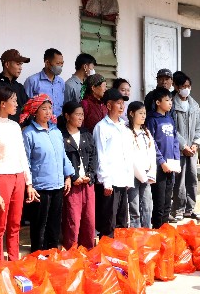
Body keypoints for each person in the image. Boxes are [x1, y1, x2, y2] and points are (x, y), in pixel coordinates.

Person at [0, 84, 33, 261]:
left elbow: (22, 155)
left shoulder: (15, 126)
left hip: (18, 177)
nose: (17, 104)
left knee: (15, 223)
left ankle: (14, 260)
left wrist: (29, 182)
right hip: (1, 178)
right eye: (14, 101)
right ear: (2, 103)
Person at [21, 95, 74, 252]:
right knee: (39, 225)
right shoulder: (29, 133)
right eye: (43, 109)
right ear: (34, 112)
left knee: (54, 224)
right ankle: (38, 256)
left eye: (50, 108)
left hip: (58, 185)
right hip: (40, 187)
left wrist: (68, 176)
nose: (48, 112)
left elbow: (63, 155)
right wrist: (29, 185)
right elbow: (26, 161)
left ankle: (52, 256)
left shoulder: (55, 131)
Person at [94, 88, 134, 236]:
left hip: (123, 180)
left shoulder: (124, 126)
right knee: (108, 222)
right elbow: (101, 155)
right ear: (109, 106)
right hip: (110, 182)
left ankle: (120, 255)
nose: (122, 107)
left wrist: (129, 178)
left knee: (122, 222)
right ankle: (107, 254)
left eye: (123, 103)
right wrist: (106, 181)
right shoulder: (101, 127)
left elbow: (128, 154)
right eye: (118, 103)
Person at [59, 101, 96, 249]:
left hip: (87, 183)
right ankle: (71, 252)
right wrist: (73, 176)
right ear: (67, 116)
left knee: (89, 220)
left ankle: (88, 252)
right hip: (73, 184)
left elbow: (94, 156)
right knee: (72, 220)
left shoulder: (87, 134)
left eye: (82, 114)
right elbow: (61, 159)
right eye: (78, 114)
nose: (81, 117)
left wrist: (90, 174)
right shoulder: (61, 136)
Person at [171, 72, 200, 220]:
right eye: (183, 86)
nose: (186, 89)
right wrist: (183, 145)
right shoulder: (171, 104)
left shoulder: (194, 104)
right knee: (179, 180)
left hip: (192, 150)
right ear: (176, 87)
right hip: (179, 150)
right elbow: (171, 128)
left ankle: (189, 209)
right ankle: (178, 209)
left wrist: (196, 143)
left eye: (188, 86)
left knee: (192, 179)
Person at [146, 87, 180, 228]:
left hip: (171, 165)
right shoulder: (152, 120)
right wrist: (161, 161)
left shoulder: (170, 119)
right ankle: (158, 231)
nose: (170, 103)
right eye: (167, 100)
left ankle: (165, 231)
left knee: (167, 202)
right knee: (158, 203)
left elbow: (175, 141)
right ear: (158, 102)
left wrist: (176, 160)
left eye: (171, 100)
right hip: (159, 168)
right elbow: (151, 142)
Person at [127, 101, 156, 228]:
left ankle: (147, 233)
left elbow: (152, 153)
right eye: (140, 113)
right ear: (132, 113)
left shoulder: (146, 132)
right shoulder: (126, 132)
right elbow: (130, 156)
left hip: (147, 174)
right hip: (134, 175)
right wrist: (142, 176)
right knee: (134, 208)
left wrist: (151, 172)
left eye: (144, 113)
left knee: (147, 206)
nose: (143, 116)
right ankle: (136, 236)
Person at [0, 48, 30, 122]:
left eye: (21, 64)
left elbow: (27, 109)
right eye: (18, 64)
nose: (20, 68)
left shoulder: (19, 87)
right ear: (7, 64)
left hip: (20, 130)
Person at [24, 48, 65, 117]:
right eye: (57, 63)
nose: (60, 66)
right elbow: (26, 106)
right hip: (39, 124)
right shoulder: (33, 81)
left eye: (62, 63)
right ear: (47, 63)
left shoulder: (61, 82)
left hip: (58, 124)